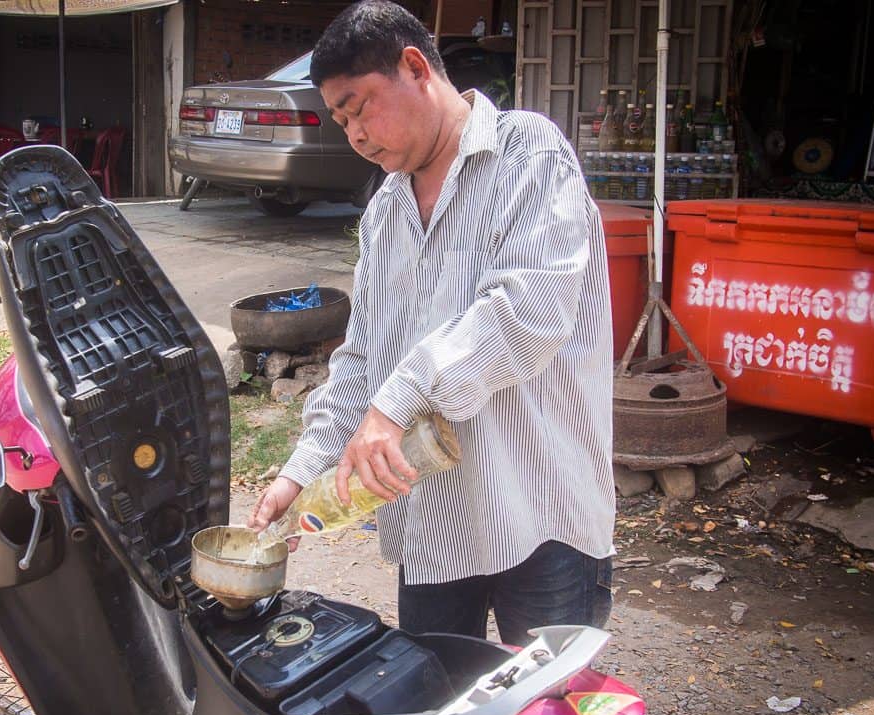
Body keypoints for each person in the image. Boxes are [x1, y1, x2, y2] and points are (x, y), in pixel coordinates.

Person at [247, 0, 615, 645]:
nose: (355, 135)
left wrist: (396, 403)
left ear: (415, 68)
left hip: (538, 508)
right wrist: (299, 471)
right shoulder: (387, 210)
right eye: (341, 120)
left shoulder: (527, 156)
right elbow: (361, 358)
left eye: (361, 107)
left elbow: (526, 315)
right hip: (434, 522)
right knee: (438, 709)